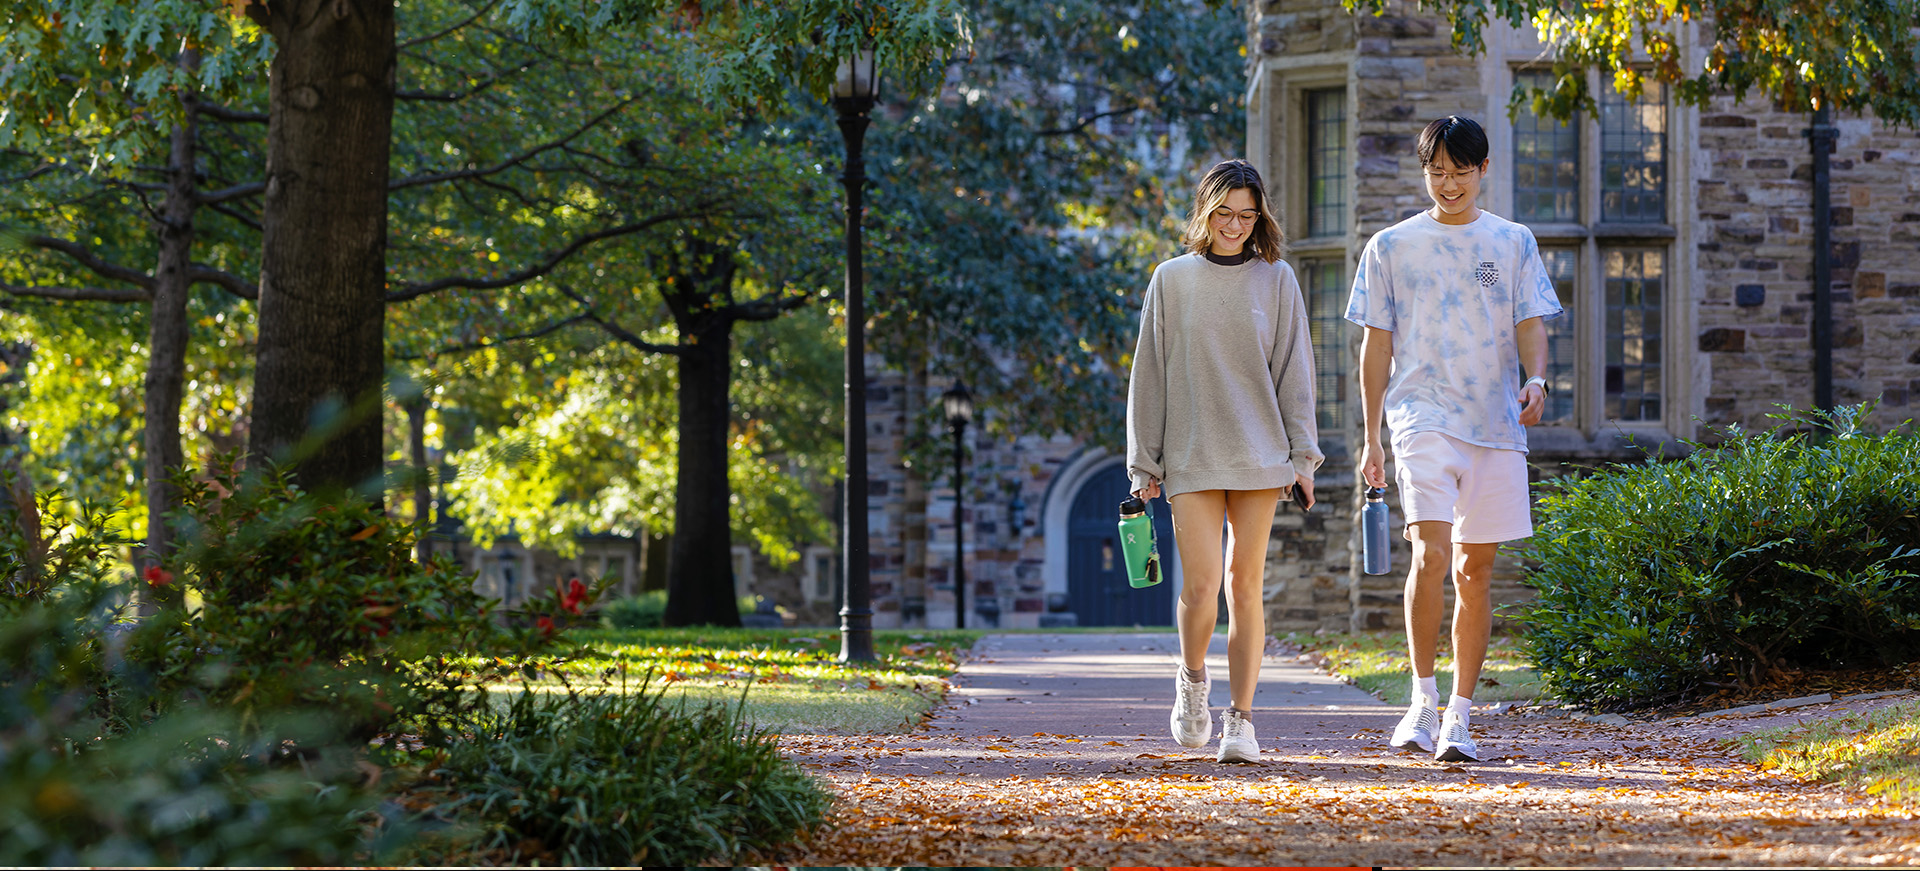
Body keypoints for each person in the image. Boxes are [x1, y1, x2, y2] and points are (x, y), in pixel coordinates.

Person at [1344, 116, 1563, 762]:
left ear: (1482, 170)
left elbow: (1530, 322)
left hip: (1495, 424)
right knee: (1431, 555)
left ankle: (1460, 717)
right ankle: (1420, 699)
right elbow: (1375, 345)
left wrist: (1537, 381)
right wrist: (1371, 437)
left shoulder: (1512, 241)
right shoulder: (1390, 247)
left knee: (1474, 569)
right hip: (1420, 417)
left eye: (1459, 171)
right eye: (1436, 171)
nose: (1448, 183)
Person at [1126, 159, 1323, 763]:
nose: (1235, 225)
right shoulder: (1171, 279)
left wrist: (1304, 459)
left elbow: (1295, 373)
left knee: (1245, 586)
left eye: (1246, 215)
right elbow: (1149, 375)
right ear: (1204, 214)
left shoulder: (1277, 279)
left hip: (1262, 457)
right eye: (1224, 214)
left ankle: (1242, 721)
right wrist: (1145, 463)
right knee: (1203, 585)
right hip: (1190, 454)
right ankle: (1192, 683)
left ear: (1258, 217)